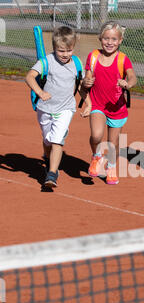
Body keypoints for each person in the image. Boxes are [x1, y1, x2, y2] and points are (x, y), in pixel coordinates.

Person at [26, 26, 90, 188]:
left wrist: (88, 103)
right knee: (48, 140)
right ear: (54, 48)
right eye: (61, 51)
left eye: (69, 50)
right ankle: (49, 161)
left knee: (57, 140)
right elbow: (29, 77)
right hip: (45, 108)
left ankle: (52, 174)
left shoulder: (76, 63)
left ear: (73, 48)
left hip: (65, 109)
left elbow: (80, 85)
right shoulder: (46, 61)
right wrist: (40, 92)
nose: (65, 54)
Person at [82, 21, 137, 185]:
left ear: (120, 40)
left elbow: (133, 77)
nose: (110, 42)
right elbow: (87, 77)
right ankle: (96, 156)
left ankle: (111, 167)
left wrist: (128, 84)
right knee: (96, 135)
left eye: (114, 39)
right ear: (100, 38)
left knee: (113, 142)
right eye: (106, 38)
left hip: (117, 107)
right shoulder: (93, 56)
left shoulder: (122, 59)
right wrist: (86, 81)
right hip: (97, 104)